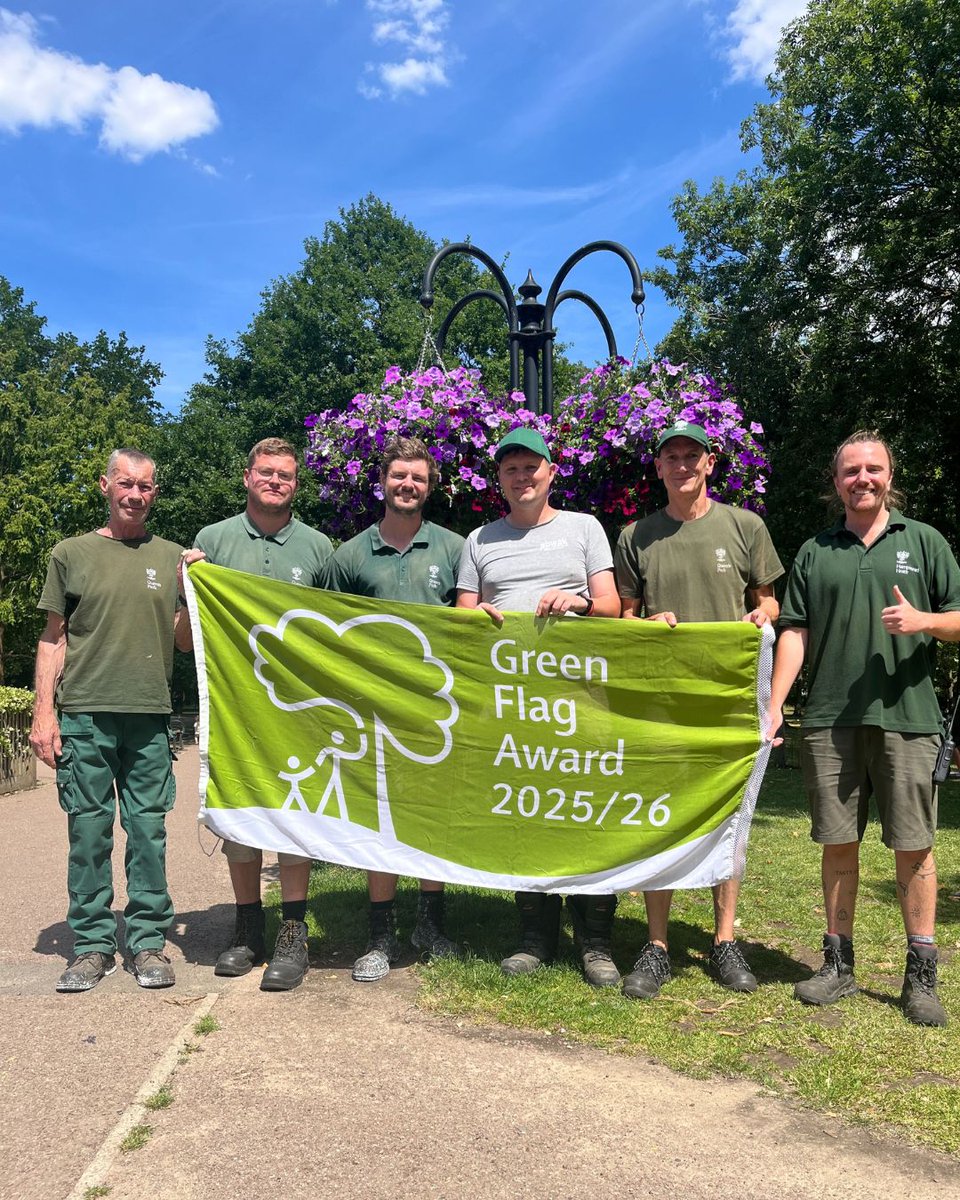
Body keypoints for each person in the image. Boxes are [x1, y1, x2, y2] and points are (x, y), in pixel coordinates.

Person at [766, 430, 960, 1026]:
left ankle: (921, 973)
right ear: (836, 482)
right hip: (829, 719)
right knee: (838, 844)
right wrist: (775, 705)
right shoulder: (814, 550)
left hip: (909, 718)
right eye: (851, 471)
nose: (863, 479)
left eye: (873, 469)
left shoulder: (924, 541)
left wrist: (922, 620)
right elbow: (793, 631)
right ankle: (838, 964)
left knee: (914, 847)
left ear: (889, 475)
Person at [614, 420, 784, 1000]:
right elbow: (625, 617)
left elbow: (769, 601)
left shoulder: (745, 525)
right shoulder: (636, 534)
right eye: (671, 457)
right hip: (662, 703)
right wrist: (645, 623)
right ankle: (657, 944)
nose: (682, 464)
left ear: (710, 463)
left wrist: (762, 617)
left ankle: (724, 939)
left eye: (692, 455)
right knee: (659, 814)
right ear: (658, 468)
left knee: (728, 820)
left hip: (730, 699)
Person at [456, 427, 621, 986]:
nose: (522, 477)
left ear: (552, 472)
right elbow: (460, 619)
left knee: (588, 813)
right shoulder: (478, 539)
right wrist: (475, 618)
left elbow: (612, 606)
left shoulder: (584, 528)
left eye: (532, 467)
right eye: (510, 469)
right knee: (525, 814)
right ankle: (535, 937)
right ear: (497, 480)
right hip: (511, 705)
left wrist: (577, 602)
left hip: (581, 699)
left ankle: (596, 941)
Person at [30, 448, 191, 992]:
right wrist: (43, 715)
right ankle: (92, 945)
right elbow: (53, 638)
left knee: (148, 832)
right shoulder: (70, 553)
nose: (135, 494)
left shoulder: (172, 557)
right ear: (106, 485)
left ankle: (147, 942)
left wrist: (194, 594)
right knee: (90, 833)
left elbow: (185, 642)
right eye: (126, 483)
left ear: (155, 494)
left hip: (148, 716)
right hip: (85, 716)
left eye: (146, 486)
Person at [188, 438, 333, 991]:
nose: (276, 481)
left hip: (298, 708)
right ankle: (248, 923)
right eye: (266, 472)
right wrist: (191, 582)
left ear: (297, 483)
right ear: (247, 477)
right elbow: (188, 637)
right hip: (233, 705)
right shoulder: (212, 542)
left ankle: (294, 929)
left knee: (297, 811)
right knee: (242, 812)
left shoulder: (321, 549)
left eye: (287, 475)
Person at [324, 437, 466, 982]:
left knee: (431, 817)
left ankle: (430, 924)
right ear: (381, 482)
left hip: (437, 709)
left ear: (430, 488)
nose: (408, 485)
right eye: (399, 476)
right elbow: (327, 628)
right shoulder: (350, 554)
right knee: (378, 819)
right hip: (371, 710)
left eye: (419, 479)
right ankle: (380, 934)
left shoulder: (456, 548)